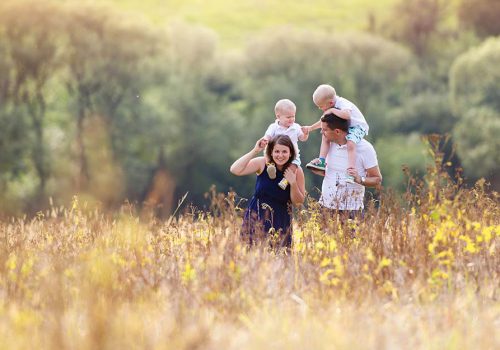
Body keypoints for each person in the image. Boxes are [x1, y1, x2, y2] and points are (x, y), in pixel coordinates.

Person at [230, 135, 306, 248]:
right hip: (256, 216)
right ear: (271, 152)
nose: (280, 155)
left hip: (281, 219)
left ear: (290, 153)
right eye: (277, 151)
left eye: (284, 152)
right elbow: (235, 169)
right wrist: (255, 150)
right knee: (251, 255)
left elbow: (299, 202)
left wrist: (293, 183)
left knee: (279, 258)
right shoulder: (262, 163)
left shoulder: (296, 170)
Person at [309, 113, 381, 219]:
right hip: (325, 207)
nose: (321, 132)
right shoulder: (328, 145)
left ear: (337, 131)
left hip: (352, 211)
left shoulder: (365, 148)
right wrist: (316, 168)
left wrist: (359, 179)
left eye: (325, 130)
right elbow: (328, 173)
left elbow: (377, 179)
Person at [303, 84, 369, 183]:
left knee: (350, 143)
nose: (320, 108)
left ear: (330, 102)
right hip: (345, 127)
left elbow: (347, 115)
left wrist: (332, 110)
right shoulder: (331, 107)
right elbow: (323, 122)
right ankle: (321, 160)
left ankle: (351, 171)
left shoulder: (342, 103)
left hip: (357, 127)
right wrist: (310, 128)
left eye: (321, 106)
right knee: (325, 135)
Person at [262, 99, 310, 190]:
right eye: (288, 117)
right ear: (278, 116)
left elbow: (302, 138)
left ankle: (285, 181)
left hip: (292, 154)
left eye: (293, 116)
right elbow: (267, 136)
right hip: (275, 152)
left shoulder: (296, 127)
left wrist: (306, 134)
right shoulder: (274, 127)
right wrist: (265, 140)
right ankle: (270, 167)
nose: (291, 119)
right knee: (267, 152)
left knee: (294, 165)